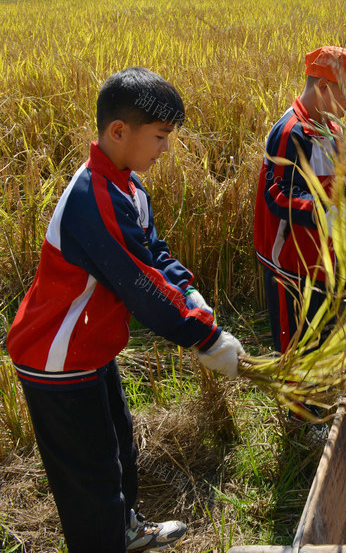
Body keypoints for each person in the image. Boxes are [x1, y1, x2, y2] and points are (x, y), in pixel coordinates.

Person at [5, 67, 245, 552]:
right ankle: (104, 540)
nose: (165, 148)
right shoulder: (93, 197)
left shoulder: (127, 188)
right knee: (90, 475)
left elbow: (154, 255)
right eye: (159, 136)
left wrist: (191, 295)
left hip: (90, 347)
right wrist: (204, 337)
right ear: (119, 131)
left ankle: (124, 532)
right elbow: (139, 284)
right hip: (57, 355)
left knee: (119, 445)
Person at [254, 46, 346, 353]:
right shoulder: (291, 131)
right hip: (288, 260)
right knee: (296, 345)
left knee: (318, 332)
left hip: (319, 253)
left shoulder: (333, 129)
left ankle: (316, 395)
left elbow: (329, 187)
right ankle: (297, 401)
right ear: (324, 87)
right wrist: (325, 214)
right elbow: (279, 193)